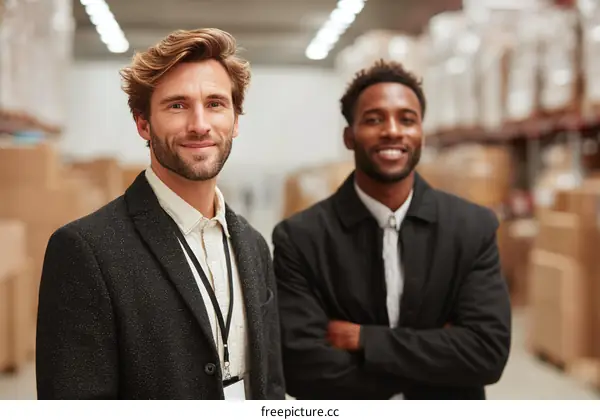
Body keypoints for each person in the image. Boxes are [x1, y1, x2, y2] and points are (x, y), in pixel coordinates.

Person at [36, 28, 285, 400]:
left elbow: (271, 384)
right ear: (143, 124)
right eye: (177, 105)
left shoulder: (252, 245)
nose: (200, 124)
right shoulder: (86, 250)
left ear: (235, 121)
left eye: (215, 103)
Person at [272, 60, 511, 400]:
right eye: (373, 119)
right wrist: (435, 363)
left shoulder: (472, 228)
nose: (393, 131)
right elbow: (301, 369)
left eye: (407, 119)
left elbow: (487, 353)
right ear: (349, 136)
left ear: (421, 135)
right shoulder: (301, 238)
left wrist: (363, 340)